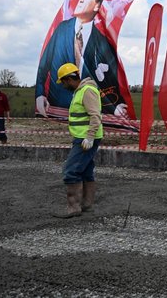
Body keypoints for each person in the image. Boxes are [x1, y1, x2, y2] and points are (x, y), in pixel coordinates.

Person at [35, 0, 129, 120]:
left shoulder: (102, 41)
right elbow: (43, 66)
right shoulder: (61, 29)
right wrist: (39, 94)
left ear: (97, 5)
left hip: (87, 113)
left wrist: (117, 105)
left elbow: (111, 78)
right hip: (55, 109)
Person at [53, 62, 103, 218]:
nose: (63, 86)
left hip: (85, 139)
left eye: (63, 82)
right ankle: (87, 205)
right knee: (86, 171)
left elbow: (95, 116)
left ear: (69, 79)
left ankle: (73, 208)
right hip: (83, 137)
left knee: (71, 171)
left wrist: (89, 137)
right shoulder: (81, 91)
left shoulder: (87, 91)